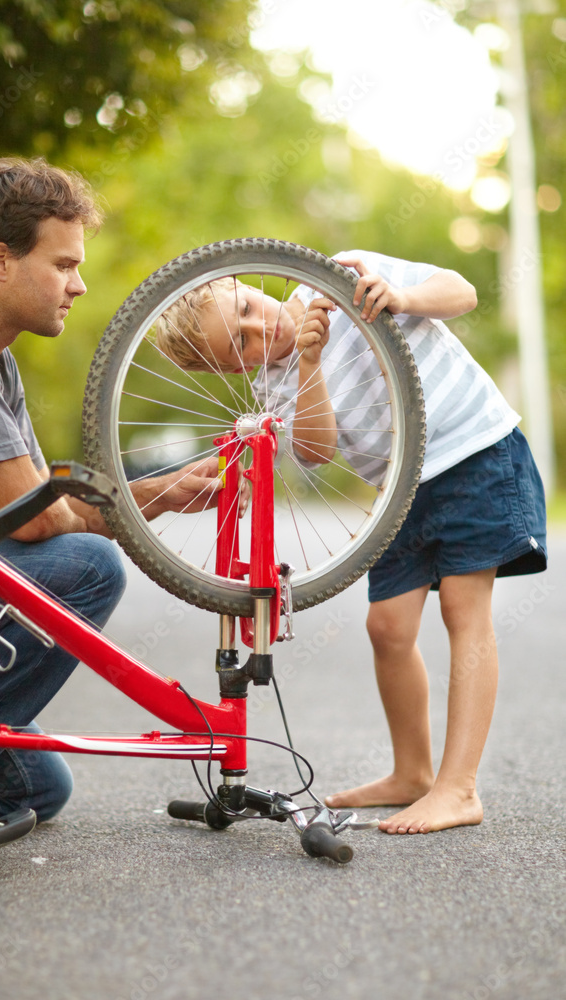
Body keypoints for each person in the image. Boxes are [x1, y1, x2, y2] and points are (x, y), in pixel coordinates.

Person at [0, 158, 228, 880]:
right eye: (64, 263)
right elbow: (36, 525)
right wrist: (147, 501)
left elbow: (38, 499)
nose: (80, 283)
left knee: (40, 786)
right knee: (87, 570)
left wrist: (155, 492)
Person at [155, 248, 548, 836]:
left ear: (246, 283)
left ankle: (459, 787)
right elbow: (316, 450)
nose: (260, 327)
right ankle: (412, 771)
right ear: (233, 371)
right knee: (388, 629)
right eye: (242, 345)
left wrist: (404, 296)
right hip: (401, 489)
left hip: (473, 453)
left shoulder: (344, 275)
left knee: (464, 611)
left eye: (247, 307)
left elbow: (460, 290)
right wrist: (309, 363)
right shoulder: (275, 384)